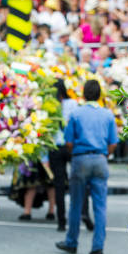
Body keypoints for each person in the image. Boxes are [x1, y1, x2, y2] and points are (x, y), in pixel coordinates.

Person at [56, 80, 118, 254]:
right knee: (100, 206)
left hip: (80, 159)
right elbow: (113, 143)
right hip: (100, 159)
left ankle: (71, 242)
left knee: (76, 203)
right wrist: (103, 154)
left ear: (83, 94)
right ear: (100, 95)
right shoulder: (108, 115)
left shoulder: (76, 114)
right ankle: (97, 247)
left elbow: (68, 142)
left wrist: (75, 152)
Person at [49, 80, 78, 232]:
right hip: (70, 146)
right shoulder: (72, 104)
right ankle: (80, 215)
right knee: (76, 182)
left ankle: (62, 220)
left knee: (60, 185)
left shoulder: (50, 106)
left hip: (57, 147)